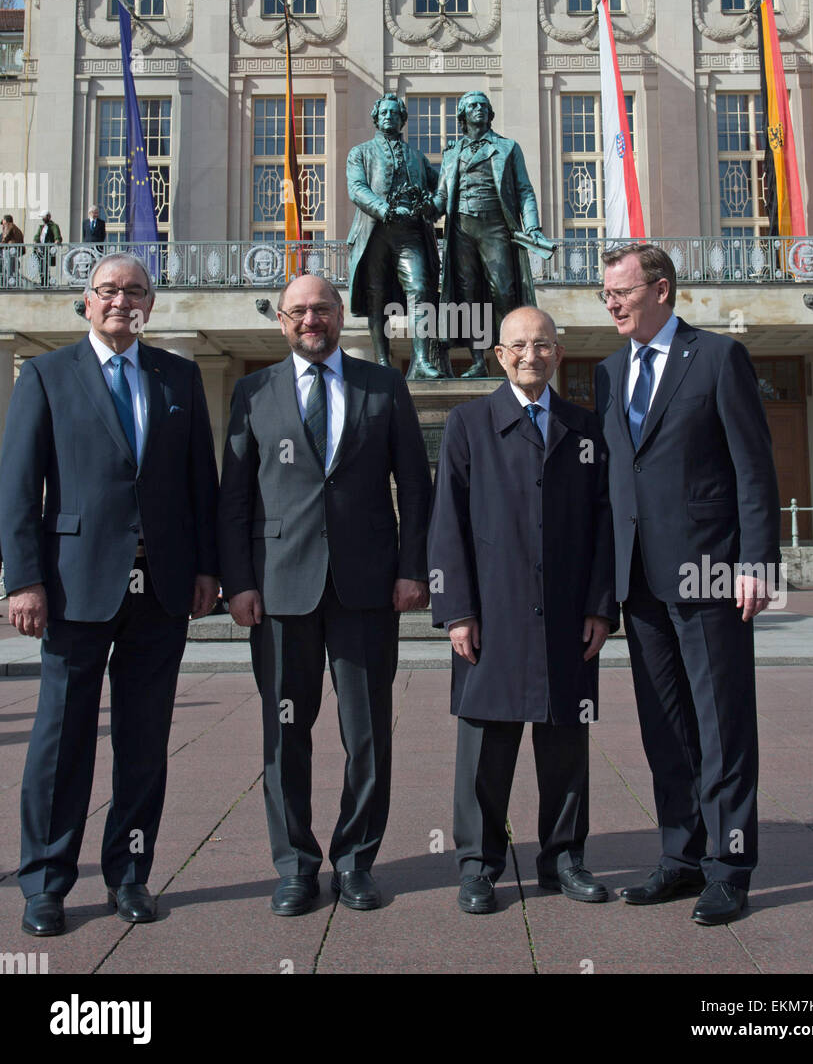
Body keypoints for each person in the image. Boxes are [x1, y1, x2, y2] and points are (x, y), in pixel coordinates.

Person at [0, 253, 220, 937]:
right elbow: (17, 487)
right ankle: (46, 883)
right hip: (72, 587)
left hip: (160, 589)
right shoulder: (45, 375)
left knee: (143, 740)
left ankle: (129, 874)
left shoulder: (178, 377)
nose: (121, 301)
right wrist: (23, 578)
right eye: (108, 291)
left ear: (150, 304)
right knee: (61, 740)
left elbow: (200, 487)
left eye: (135, 291)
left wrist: (206, 570)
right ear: (86, 302)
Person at [218, 274, 432, 915]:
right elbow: (234, 498)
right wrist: (239, 583)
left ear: (342, 316)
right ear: (282, 322)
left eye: (323, 309)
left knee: (367, 734)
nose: (312, 320)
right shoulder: (254, 392)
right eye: (299, 311)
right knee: (286, 733)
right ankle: (295, 865)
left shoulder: (384, 386)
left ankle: (356, 860)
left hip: (367, 588)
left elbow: (416, 489)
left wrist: (412, 568)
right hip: (280, 591)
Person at [594, 243, 781, 926]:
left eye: (622, 291)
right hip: (638, 581)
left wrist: (758, 563)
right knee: (665, 728)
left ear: (662, 290)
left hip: (710, 574)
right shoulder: (609, 374)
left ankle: (730, 869)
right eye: (605, 294)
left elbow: (753, 470)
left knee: (722, 725)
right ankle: (681, 856)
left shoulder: (718, 358)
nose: (611, 303)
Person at [428, 305, 617, 913]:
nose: (530, 355)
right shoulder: (469, 423)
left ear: (557, 354)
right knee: (486, 745)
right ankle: (479, 865)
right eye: (518, 346)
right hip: (492, 613)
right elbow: (446, 524)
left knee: (565, 742)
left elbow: (605, 524)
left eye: (542, 345)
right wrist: (456, 610)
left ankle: (563, 859)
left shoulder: (586, 429)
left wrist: (599, 606)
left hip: (567, 615)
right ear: (499, 355)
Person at [432, 91, 552, 378]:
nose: (480, 110)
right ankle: (477, 360)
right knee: (468, 294)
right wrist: (420, 210)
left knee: (504, 291)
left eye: (484, 106)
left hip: (494, 226)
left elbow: (524, 190)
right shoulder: (452, 153)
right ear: (462, 115)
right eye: (473, 106)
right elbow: (441, 197)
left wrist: (532, 226)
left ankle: (512, 353)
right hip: (461, 228)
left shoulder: (508, 147)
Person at [346, 92, 441, 378]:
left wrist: (432, 201)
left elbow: (441, 190)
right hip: (375, 233)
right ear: (376, 118)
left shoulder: (417, 156)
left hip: (410, 233)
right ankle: (383, 363)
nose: (389, 117)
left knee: (421, 288)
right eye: (384, 113)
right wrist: (384, 208)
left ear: (402, 119)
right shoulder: (360, 153)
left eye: (394, 113)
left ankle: (422, 360)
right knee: (377, 296)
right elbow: (357, 189)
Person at [33, 210, 62, 285]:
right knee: (40, 265)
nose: (43, 219)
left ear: (48, 217)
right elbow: (37, 236)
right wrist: (35, 241)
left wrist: (57, 240)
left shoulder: (53, 226)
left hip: (47, 249)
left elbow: (57, 234)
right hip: (40, 249)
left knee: (45, 265)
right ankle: (43, 281)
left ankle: (45, 282)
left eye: (44, 217)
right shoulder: (41, 227)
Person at [1, 213, 24, 286]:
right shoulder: (17, 229)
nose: (2, 223)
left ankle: (9, 284)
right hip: (15, 251)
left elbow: (6, 236)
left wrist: (2, 243)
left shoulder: (8, 225)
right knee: (13, 268)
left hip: (9, 249)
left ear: (6, 220)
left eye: (3, 221)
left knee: (8, 268)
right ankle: (15, 283)